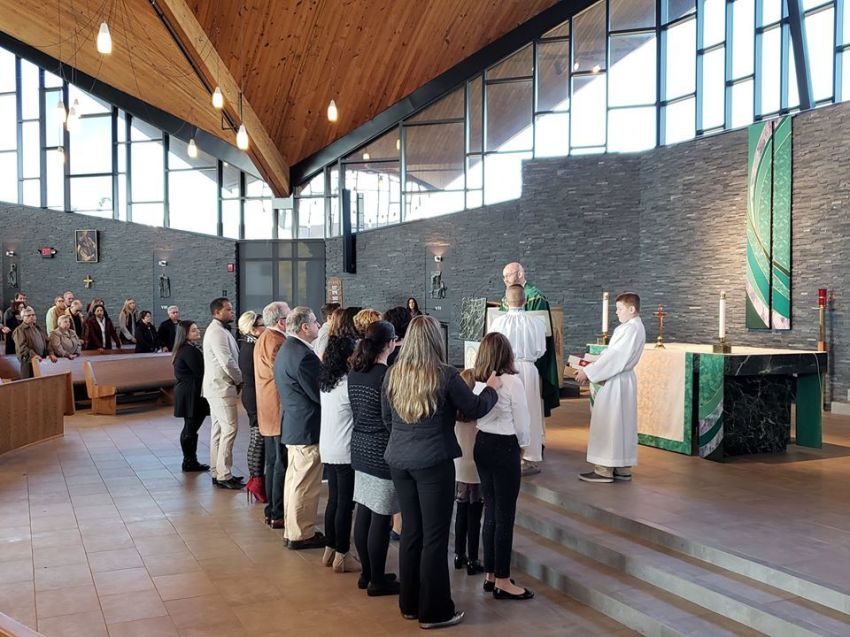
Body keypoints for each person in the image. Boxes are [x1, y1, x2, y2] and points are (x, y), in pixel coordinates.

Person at [383, 315, 500, 629]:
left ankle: (409, 604)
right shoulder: (445, 375)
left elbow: (386, 418)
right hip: (433, 463)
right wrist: (490, 389)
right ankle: (435, 611)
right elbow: (475, 408)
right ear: (437, 341)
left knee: (411, 532)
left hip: (399, 460)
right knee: (434, 538)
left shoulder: (393, 373)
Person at [472, 332, 534, 600]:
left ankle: (490, 573)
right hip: (504, 445)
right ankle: (503, 579)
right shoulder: (512, 382)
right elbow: (522, 419)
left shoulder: (479, 383)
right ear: (507, 354)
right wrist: (523, 445)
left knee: (491, 511)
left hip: (482, 444)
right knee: (505, 515)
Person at [349, 321, 400, 595]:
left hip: (359, 445)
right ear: (391, 343)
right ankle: (377, 580)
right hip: (380, 448)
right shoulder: (386, 375)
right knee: (380, 517)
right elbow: (389, 417)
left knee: (365, 512)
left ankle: (367, 574)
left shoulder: (356, 371)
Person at [574, 293, 646, 483]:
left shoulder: (629, 329)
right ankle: (622, 467)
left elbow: (614, 358)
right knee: (622, 424)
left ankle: (604, 469)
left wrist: (587, 372)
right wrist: (593, 362)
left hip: (615, 380)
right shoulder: (635, 327)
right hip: (624, 379)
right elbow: (612, 354)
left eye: (620, 309)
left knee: (608, 422)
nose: (617, 313)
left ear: (632, 309)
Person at [276, 306, 325, 550]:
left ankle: (293, 528)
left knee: (295, 480)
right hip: (306, 426)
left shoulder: (288, 349)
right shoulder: (304, 355)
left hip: (295, 424)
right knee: (305, 483)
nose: (319, 325)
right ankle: (301, 534)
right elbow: (318, 392)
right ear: (305, 327)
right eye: (316, 322)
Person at [491, 284, 547, 476]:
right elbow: (541, 350)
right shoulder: (537, 323)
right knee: (528, 410)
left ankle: (506, 452)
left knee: (507, 410)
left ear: (506, 302)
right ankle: (527, 456)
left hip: (505, 370)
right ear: (525, 301)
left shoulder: (498, 323)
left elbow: (493, 348)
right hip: (529, 369)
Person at [500, 262, 560, 422]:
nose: (505, 279)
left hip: (528, 363)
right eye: (503, 276)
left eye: (508, 275)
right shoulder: (506, 298)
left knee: (526, 408)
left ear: (520, 274)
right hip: (515, 365)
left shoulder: (535, 296)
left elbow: (540, 342)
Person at [318, 334, 358, 573]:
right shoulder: (348, 383)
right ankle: (342, 553)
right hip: (345, 449)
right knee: (345, 504)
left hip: (329, 446)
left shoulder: (327, 381)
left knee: (334, 500)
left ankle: (330, 548)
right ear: (347, 356)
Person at [202, 297, 244, 490]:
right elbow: (226, 361)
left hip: (217, 387)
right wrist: (239, 379)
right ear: (217, 312)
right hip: (221, 387)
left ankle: (216, 470)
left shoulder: (218, 330)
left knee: (219, 431)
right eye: (228, 309)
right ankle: (224, 474)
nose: (232, 312)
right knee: (229, 430)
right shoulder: (217, 332)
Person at [255, 301, 290, 528]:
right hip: (277, 408)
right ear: (281, 321)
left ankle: (272, 509)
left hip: (268, 409)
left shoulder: (264, 337)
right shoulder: (276, 341)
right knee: (279, 463)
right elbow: (284, 375)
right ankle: (277, 511)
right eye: (289, 316)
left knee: (272, 462)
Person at [453, 369, 484, 576]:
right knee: (475, 516)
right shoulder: (479, 416)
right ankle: (473, 558)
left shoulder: (453, 414)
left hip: (458, 469)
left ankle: (458, 555)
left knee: (460, 514)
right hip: (476, 471)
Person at [172, 320, 211, 472]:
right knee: (190, 428)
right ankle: (189, 461)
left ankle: (190, 460)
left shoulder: (188, 348)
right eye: (194, 330)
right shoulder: (188, 350)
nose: (198, 332)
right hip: (190, 393)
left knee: (191, 428)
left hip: (190, 391)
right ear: (185, 335)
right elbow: (200, 371)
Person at [238, 310, 266, 503]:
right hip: (254, 395)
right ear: (254, 329)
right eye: (263, 325)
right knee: (258, 439)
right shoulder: (252, 347)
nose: (266, 328)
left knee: (258, 437)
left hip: (252, 393)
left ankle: (256, 480)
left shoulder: (249, 343)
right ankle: (256, 481)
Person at [12, 306, 55, 378]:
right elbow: (22, 347)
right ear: (23, 317)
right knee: (29, 385)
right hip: (28, 362)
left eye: (33, 315)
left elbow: (47, 341)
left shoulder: (38, 327)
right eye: (28, 315)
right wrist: (34, 355)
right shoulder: (19, 330)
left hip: (41, 361)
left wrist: (51, 353)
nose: (31, 317)